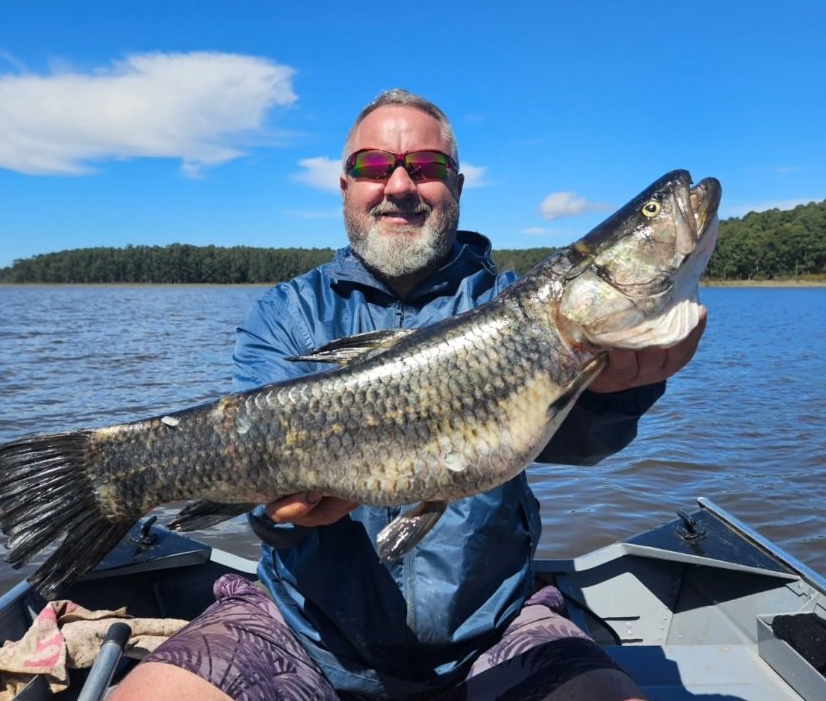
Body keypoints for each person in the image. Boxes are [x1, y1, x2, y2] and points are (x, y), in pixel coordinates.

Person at [111, 89, 706, 701]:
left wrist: (617, 391)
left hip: (493, 625)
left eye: (426, 168)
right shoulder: (287, 312)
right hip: (304, 627)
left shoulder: (510, 305)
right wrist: (277, 516)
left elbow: (578, 445)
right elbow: (254, 468)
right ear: (346, 186)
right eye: (374, 167)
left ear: (457, 186)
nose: (399, 185)